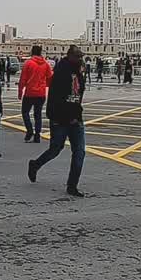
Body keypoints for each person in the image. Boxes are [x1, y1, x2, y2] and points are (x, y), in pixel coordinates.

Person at [28, 45, 89, 197]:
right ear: (70, 56)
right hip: (60, 118)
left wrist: (77, 114)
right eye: (77, 57)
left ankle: (72, 185)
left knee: (79, 152)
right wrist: (55, 117)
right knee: (55, 149)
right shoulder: (61, 72)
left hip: (76, 117)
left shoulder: (79, 72)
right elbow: (55, 97)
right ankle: (35, 165)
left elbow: (79, 94)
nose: (80, 60)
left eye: (81, 57)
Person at [19, 45, 53, 144]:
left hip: (30, 93)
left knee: (25, 112)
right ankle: (37, 135)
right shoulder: (46, 64)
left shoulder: (28, 63)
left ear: (32, 52)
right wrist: (45, 85)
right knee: (38, 115)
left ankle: (29, 131)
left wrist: (20, 92)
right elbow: (50, 78)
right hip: (41, 93)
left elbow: (23, 79)